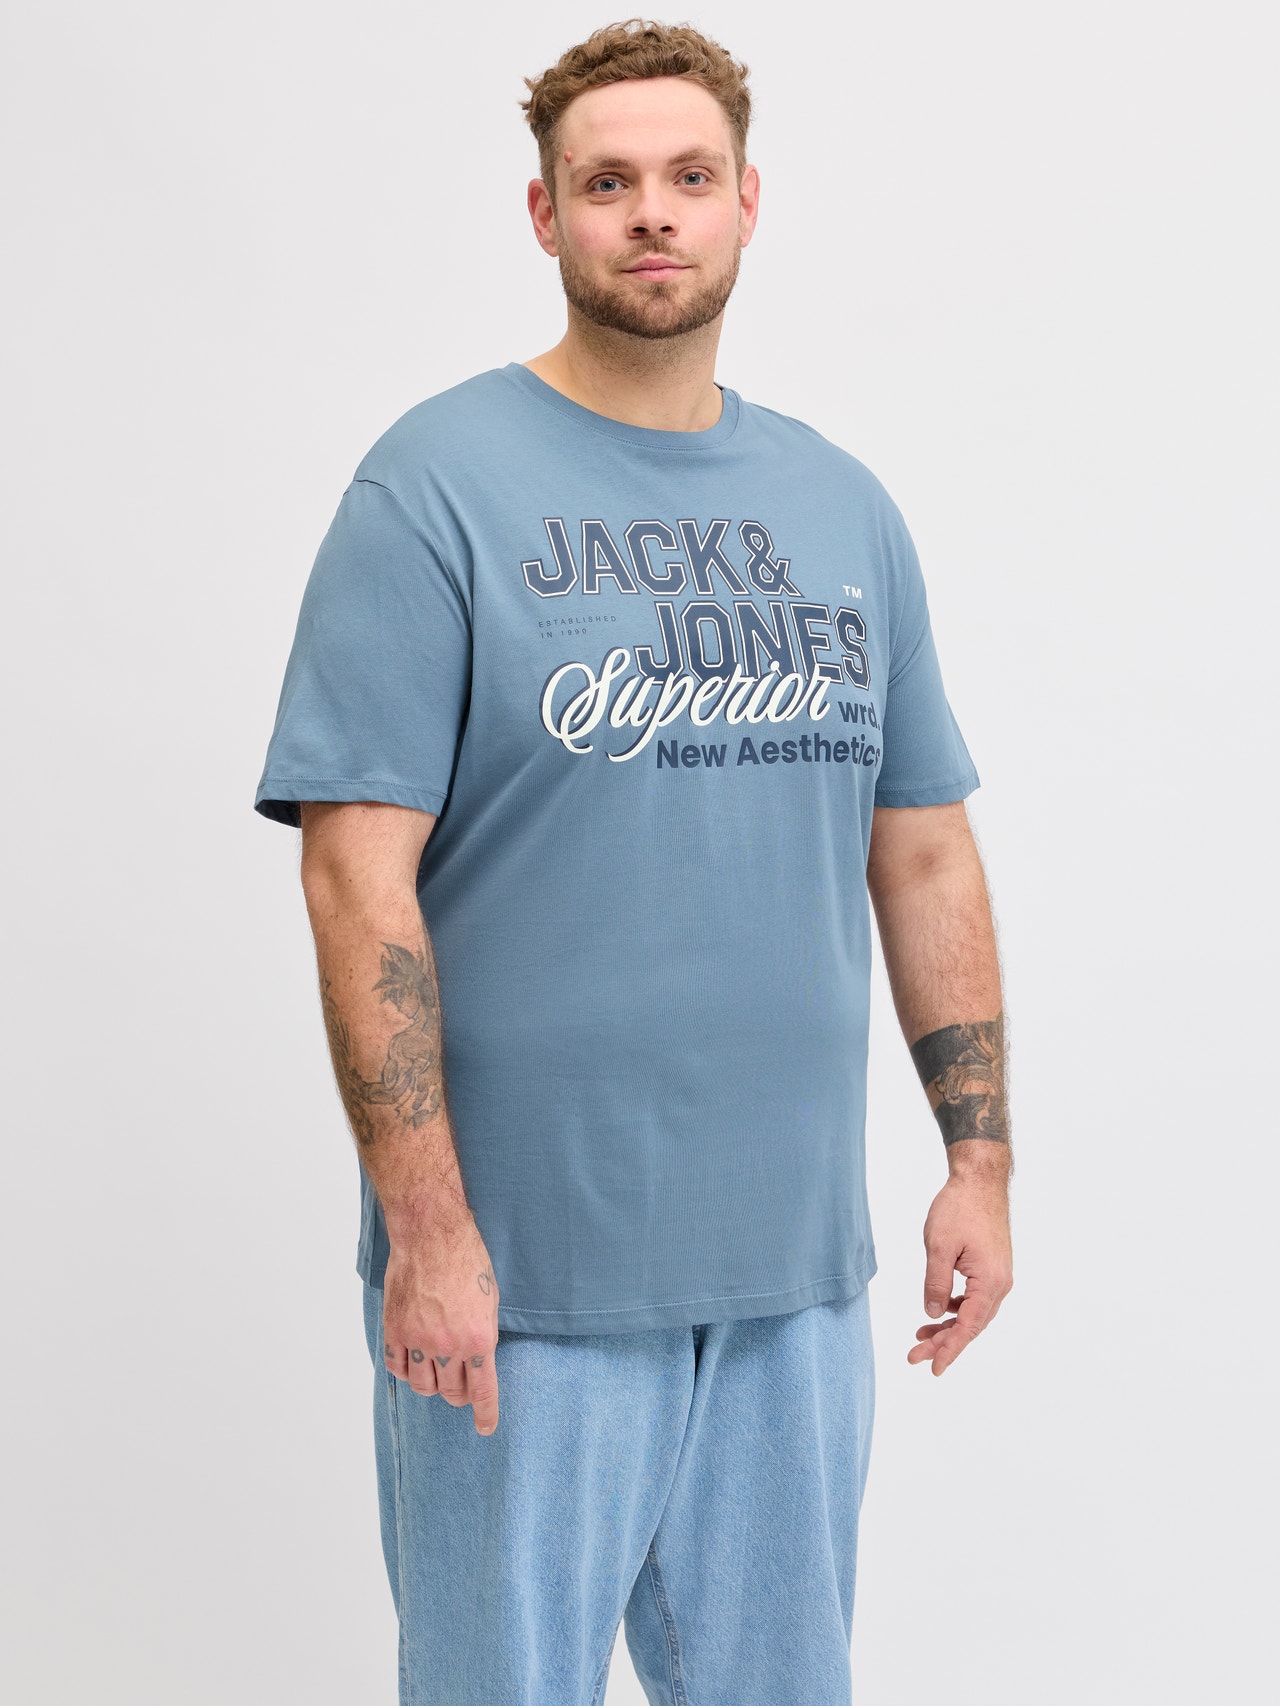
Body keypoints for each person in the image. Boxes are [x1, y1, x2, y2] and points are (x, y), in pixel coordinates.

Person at [253, 18, 1013, 1704]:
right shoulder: (432, 489)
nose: (652, 213)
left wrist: (982, 1161)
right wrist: (428, 1231)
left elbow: (924, 851)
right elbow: (355, 882)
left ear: (748, 202)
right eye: (607, 183)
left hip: (791, 1282)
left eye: (687, 177)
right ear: (545, 214)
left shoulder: (844, 507)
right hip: (523, 1287)